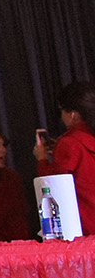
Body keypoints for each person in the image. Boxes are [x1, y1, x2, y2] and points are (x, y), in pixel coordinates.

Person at [36, 80, 95, 232]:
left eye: (62, 111)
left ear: (73, 115)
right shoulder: (84, 140)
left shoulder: (69, 143)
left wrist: (42, 159)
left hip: (86, 228)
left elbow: (53, 188)